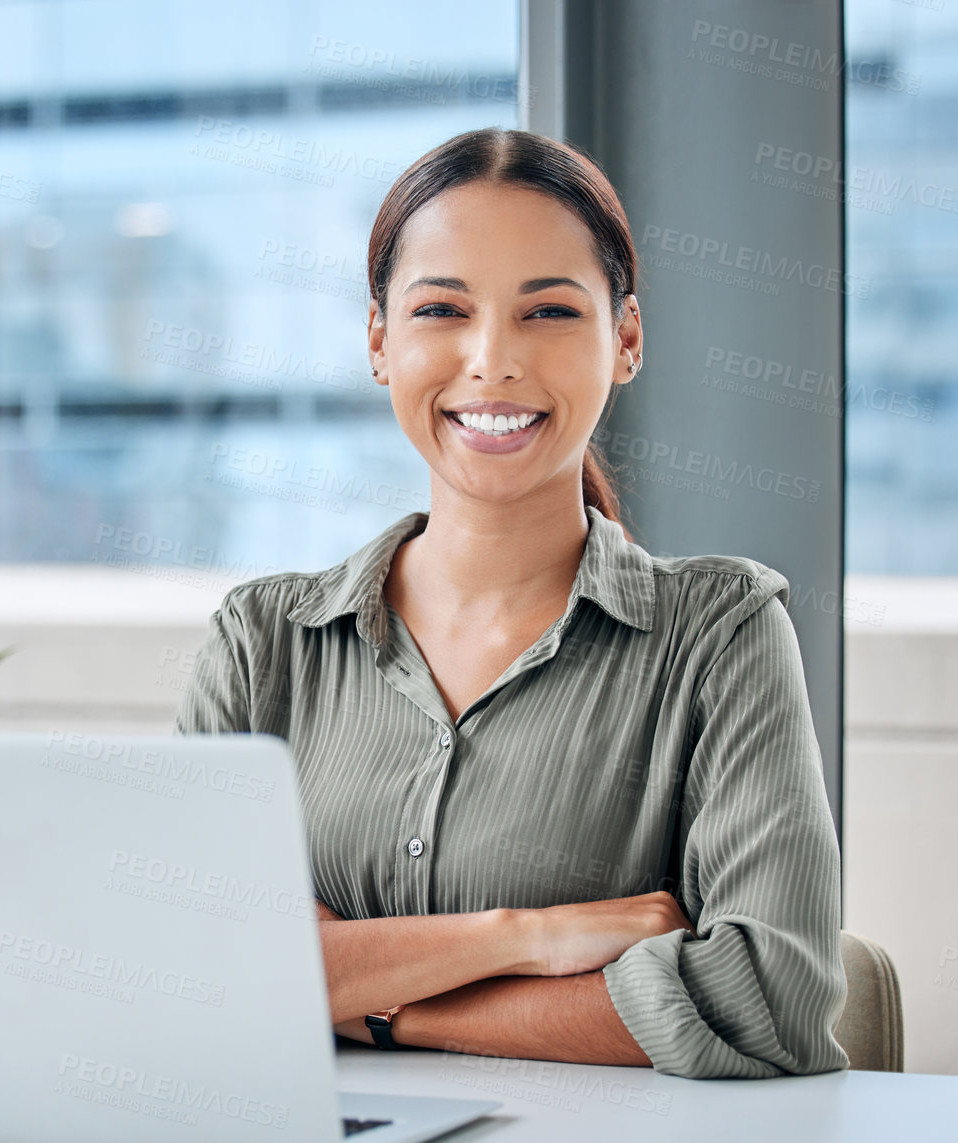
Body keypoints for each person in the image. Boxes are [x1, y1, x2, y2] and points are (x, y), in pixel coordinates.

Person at [174, 126, 849, 1079]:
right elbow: (188, 963)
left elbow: (765, 1001)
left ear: (626, 340)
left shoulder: (720, 635)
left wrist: (371, 1001)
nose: (491, 361)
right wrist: (525, 937)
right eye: (442, 308)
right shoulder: (262, 643)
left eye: (548, 313)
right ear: (379, 341)